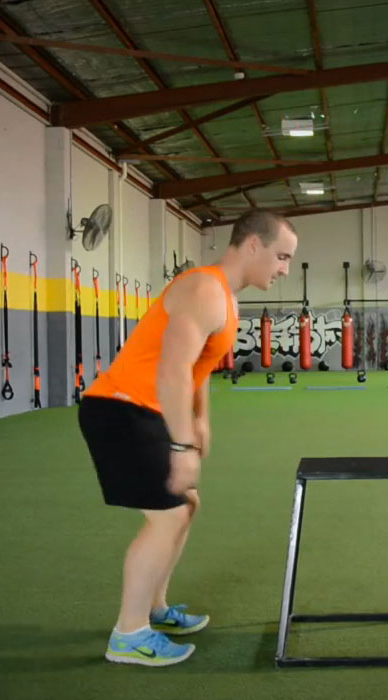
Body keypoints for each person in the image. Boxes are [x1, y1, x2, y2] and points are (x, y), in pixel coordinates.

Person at [78, 209, 298, 667]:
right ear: (252, 245)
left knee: (185, 506)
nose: (284, 269)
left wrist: (201, 421)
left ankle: (155, 609)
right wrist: (180, 446)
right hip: (120, 408)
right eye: (281, 256)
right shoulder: (204, 289)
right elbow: (172, 369)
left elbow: (196, 369)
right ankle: (129, 634)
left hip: (144, 409)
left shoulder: (227, 301)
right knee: (168, 516)